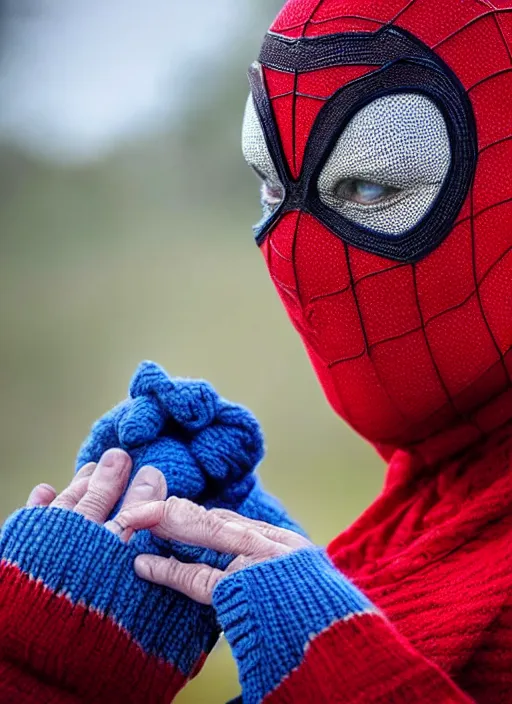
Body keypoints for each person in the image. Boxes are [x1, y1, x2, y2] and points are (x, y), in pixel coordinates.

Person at [1, 0, 512, 701]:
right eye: (273, 183)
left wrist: (32, 667)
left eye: (371, 185)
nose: (297, 250)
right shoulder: (437, 513)